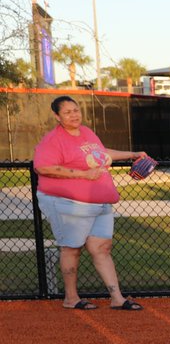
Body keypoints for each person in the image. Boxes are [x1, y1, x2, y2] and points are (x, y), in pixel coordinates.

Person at [32, 96, 148, 310]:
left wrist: (132, 154)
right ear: (57, 116)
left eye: (76, 110)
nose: (74, 115)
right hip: (69, 204)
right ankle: (71, 298)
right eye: (67, 112)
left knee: (102, 248)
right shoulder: (53, 140)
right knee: (72, 248)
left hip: (99, 203)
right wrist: (83, 174)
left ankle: (117, 298)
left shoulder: (86, 132)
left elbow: (102, 154)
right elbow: (43, 167)